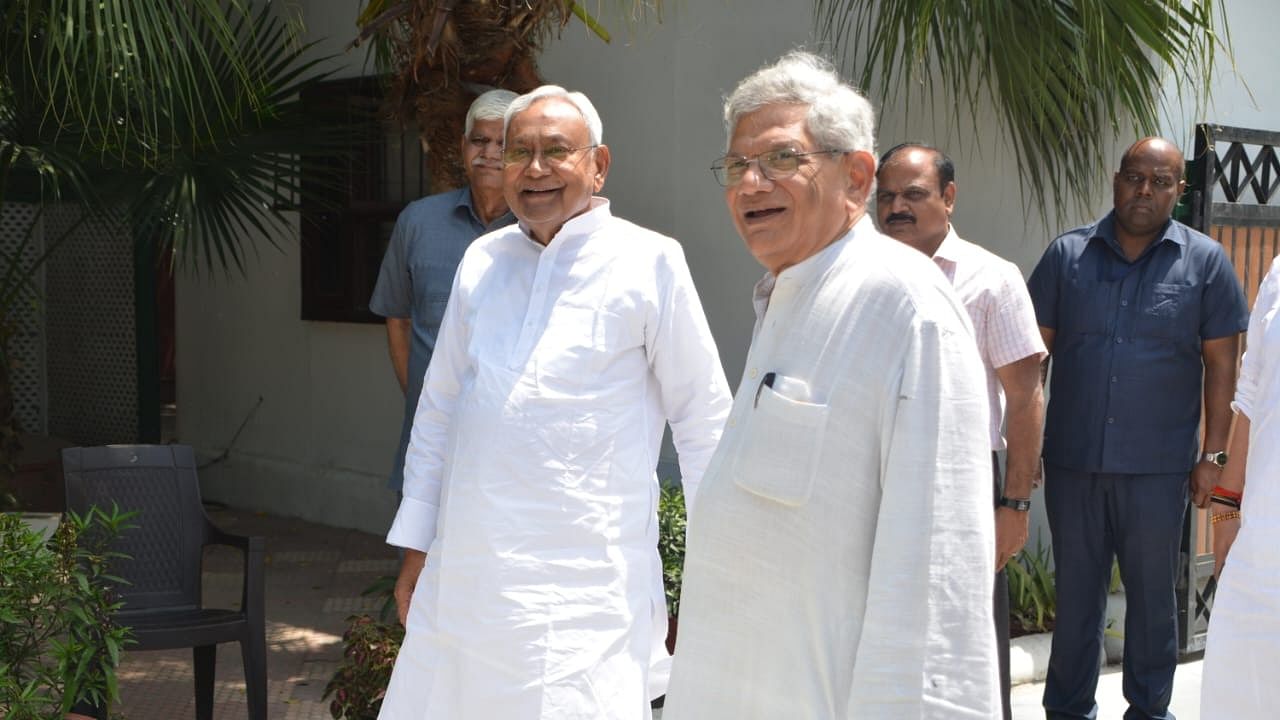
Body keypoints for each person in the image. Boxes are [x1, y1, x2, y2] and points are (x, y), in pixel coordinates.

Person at [375, 85, 732, 719]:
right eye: (519, 152)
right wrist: (416, 551)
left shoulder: (651, 261)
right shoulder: (482, 260)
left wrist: (717, 571)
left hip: (587, 592)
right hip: (470, 579)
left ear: (599, 164)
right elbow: (439, 411)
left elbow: (704, 421)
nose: (534, 170)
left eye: (555, 151)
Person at [662, 51, 999, 719]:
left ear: (857, 176)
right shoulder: (786, 294)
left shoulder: (904, 305)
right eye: (736, 167)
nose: (751, 183)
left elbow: (937, 568)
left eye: (782, 159)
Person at [1027, 136, 1248, 720]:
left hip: (1158, 469)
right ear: (1116, 180)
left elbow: (1223, 368)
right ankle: (1067, 711)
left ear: (1180, 190)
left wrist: (1214, 458)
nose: (1145, 190)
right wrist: (1023, 454)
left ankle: (1149, 712)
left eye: (1162, 181)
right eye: (1134, 177)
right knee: (1077, 598)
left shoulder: (1204, 262)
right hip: (1074, 463)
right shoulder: (1066, 256)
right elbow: (1030, 365)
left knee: (1153, 602)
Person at [875, 142, 1046, 720]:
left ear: (948, 198)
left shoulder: (991, 278)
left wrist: (1015, 505)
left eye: (914, 194)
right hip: (873, 476)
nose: (897, 207)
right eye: (887, 196)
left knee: (966, 641)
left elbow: (1025, 399)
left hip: (964, 483)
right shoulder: (861, 274)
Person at [370, 88, 517, 495]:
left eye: (503, 143)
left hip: (508, 448)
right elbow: (397, 319)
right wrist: (421, 395)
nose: (489, 152)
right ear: (462, 146)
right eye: (479, 140)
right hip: (428, 442)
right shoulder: (418, 222)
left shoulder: (539, 233)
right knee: (418, 552)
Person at [1200, 254, 1280, 719]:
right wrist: (1227, 504)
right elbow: (1251, 393)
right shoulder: (1278, 272)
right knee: (1241, 691)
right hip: (1264, 542)